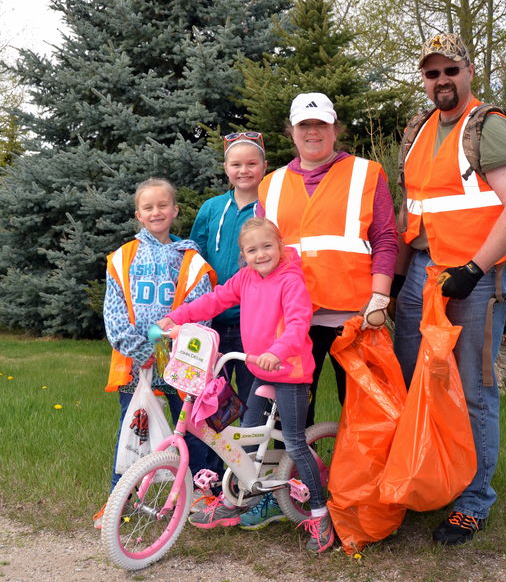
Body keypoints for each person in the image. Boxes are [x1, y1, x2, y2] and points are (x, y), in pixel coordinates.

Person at [393, 33, 506, 545]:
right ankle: (437, 479)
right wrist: (397, 277)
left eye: (450, 70)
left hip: (478, 277)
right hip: (424, 275)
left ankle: (474, 501)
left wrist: (474, 270)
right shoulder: (419, 130)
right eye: (432, 74)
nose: (441, 81)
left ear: (468, 71)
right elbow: (416, 212)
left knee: (474, 389)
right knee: (419, 380)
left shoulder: (490, 128)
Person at [156, 217, 335, 553]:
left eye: (267, 246)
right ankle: (238, 497)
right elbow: (216, 299)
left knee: (296, 443)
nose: (261, 254)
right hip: (260, 367)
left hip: (290, 369)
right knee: (246, 437)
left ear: (280, 246)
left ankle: (320, 514)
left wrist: (276, 351)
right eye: (252, 250)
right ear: (244, 255)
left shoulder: (291, 281)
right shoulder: (246, 278)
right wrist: (177, 317)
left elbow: (298, 324)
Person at [256, 92, 398, 428]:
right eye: (304, 124)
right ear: (291, 131)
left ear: (336, 129)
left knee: (362, 409)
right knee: (289, 416)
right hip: (293, 320)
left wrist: (380, 297)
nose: (313, 131)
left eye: (321, 123)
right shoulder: (271, 184)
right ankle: (291, 478)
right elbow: (259, 253)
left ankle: (360, 479)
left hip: (354, 319)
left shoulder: (366, 173)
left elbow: (385, 238)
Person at [94, 177, 215, 529]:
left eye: (163, 205)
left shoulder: (191, 260)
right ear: (138, 214)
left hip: (181, 361)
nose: (156, 211)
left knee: (192, 424)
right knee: (133, 427)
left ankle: (202, 494)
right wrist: (141, 350)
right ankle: (121, 498)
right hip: (136, 363)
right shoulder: (122, 258)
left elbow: (202, 310)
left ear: (175, 211)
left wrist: (170, 350)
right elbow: (114, 313)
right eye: (148, 207)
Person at [187, 132, 266, 511]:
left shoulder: (270, 207)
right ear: (226, 169)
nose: (244, 170)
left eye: (252, 163)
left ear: (264, 167)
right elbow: (196, 258)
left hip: (254, 322)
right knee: (211, 401)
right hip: (213, 321)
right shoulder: (211, 208)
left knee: (252, 400)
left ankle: (253, 480)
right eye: (236, 164)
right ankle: (214, 477)